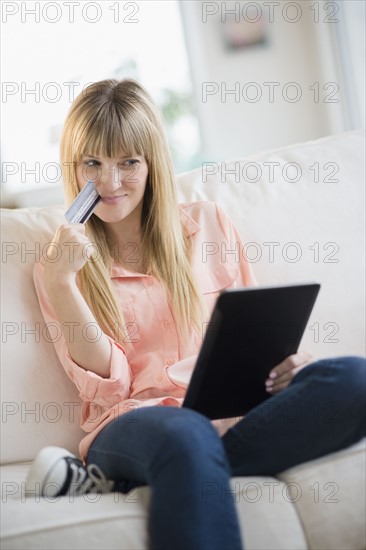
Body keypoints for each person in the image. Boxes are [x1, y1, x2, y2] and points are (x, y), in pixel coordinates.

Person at [25, 79, 366, 550]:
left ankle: (147, 476)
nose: (109, 182)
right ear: (74, 166)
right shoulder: (58, 265)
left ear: (152, 165)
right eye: (93, 163)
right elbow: (110, 387)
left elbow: (254, 330)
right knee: (183, 433)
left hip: (228, 418)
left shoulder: (208, 223)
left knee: (353, 379)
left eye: (128, 162)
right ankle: (158, 462)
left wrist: (284, 366)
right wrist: (65, 284)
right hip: (134, 423)